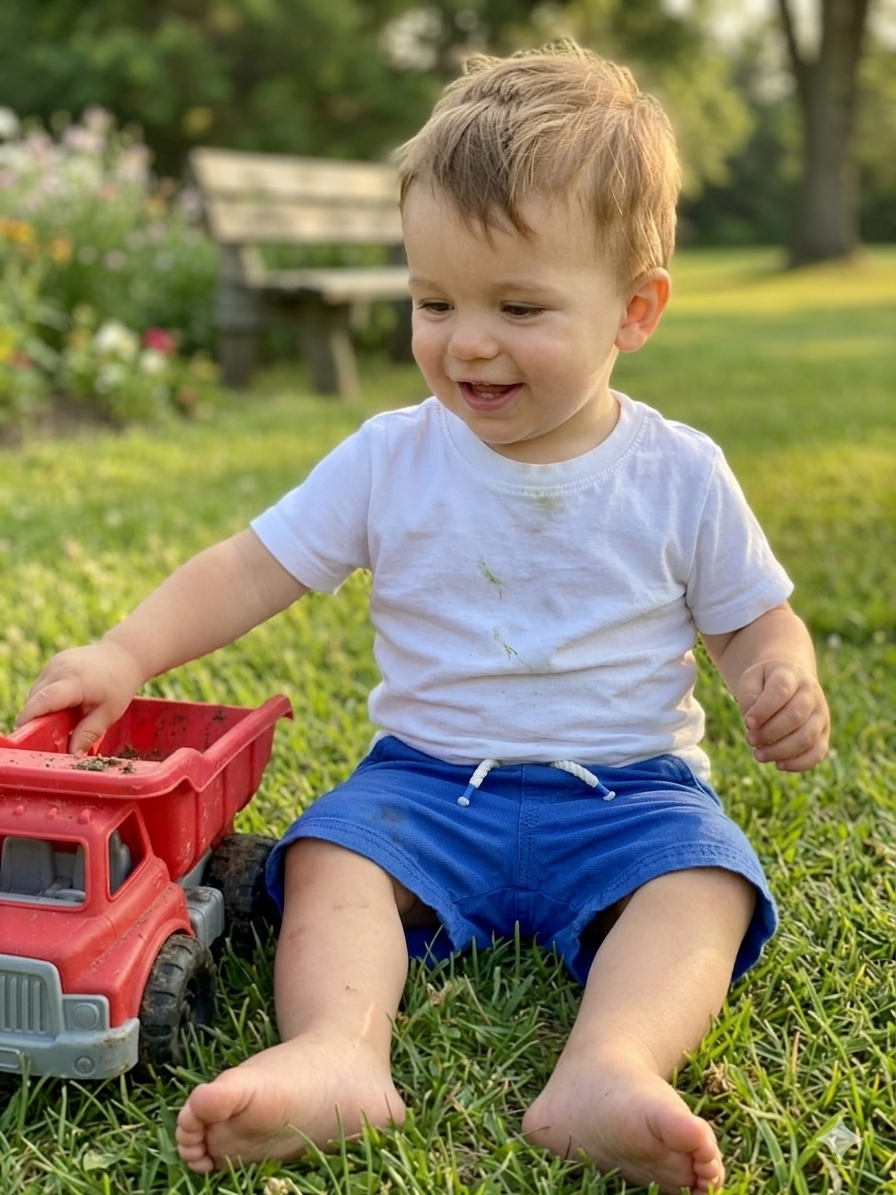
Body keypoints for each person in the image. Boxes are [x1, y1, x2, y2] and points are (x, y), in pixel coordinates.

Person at [17, 41, 830, 1195]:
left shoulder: (678, 474)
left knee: (703, 881)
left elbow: (757, 623)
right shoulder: (390, 457)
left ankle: (612, 1064)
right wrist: (125, 649)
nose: (466, 341)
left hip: (627, 792)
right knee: (334, 860)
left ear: (633, 311)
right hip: (427, 784)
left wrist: (777, 676)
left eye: (518, 305)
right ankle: (337, 1053)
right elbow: (251, 567)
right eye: (432, 300)